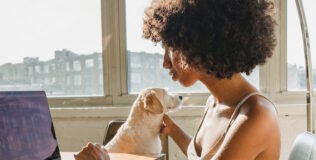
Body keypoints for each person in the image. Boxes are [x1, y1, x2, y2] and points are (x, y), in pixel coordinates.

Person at [74, 0, 280, 159]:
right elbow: (200, 155)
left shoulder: (257, 115)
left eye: (171, 49)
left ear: (200, 44)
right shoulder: (214, 103)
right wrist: (172, 130)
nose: (165, 62)